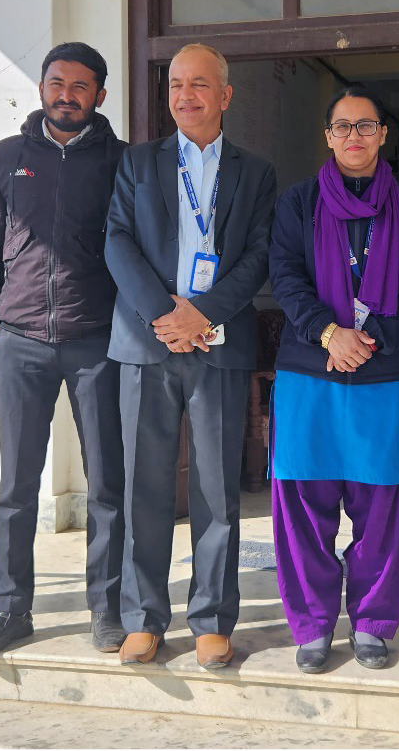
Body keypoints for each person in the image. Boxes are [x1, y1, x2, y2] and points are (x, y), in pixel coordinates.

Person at [105, 43, 276, 669]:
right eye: (176, 84)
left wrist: (201, 314)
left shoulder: (255, 173)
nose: (185, 96)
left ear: (225, 95)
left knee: (214, 490)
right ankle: (143, 619)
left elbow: (259, 254)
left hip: (219, 346)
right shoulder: (138, 162)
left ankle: (211, 618)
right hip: (145, 345)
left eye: (199, 84)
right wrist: (163, 313)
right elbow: (117, 241)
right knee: (143, 487)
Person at [0, 42, 128, 658]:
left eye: (80, 86)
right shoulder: (8, 157)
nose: (66, 95)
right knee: (16, 487)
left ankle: (107, 610)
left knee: (107, 483)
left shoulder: (120, 160)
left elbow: (135, 246)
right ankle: (10, 611)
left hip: (97, 343)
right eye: (57, 82)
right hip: (21, 341)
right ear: (41, 87)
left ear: (99, 96)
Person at [266, 86, 399, 673]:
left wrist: (374, 340)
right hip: (309, 373)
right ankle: (311, 624)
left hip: (387, 375)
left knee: (385, 505)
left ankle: (373, 620)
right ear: (327, 136)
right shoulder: (297, 202)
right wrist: (328, 333)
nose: (354, 137)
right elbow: (285, 275)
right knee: (302, 507)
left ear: (383, 134)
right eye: (342, 127)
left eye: (365, 126)